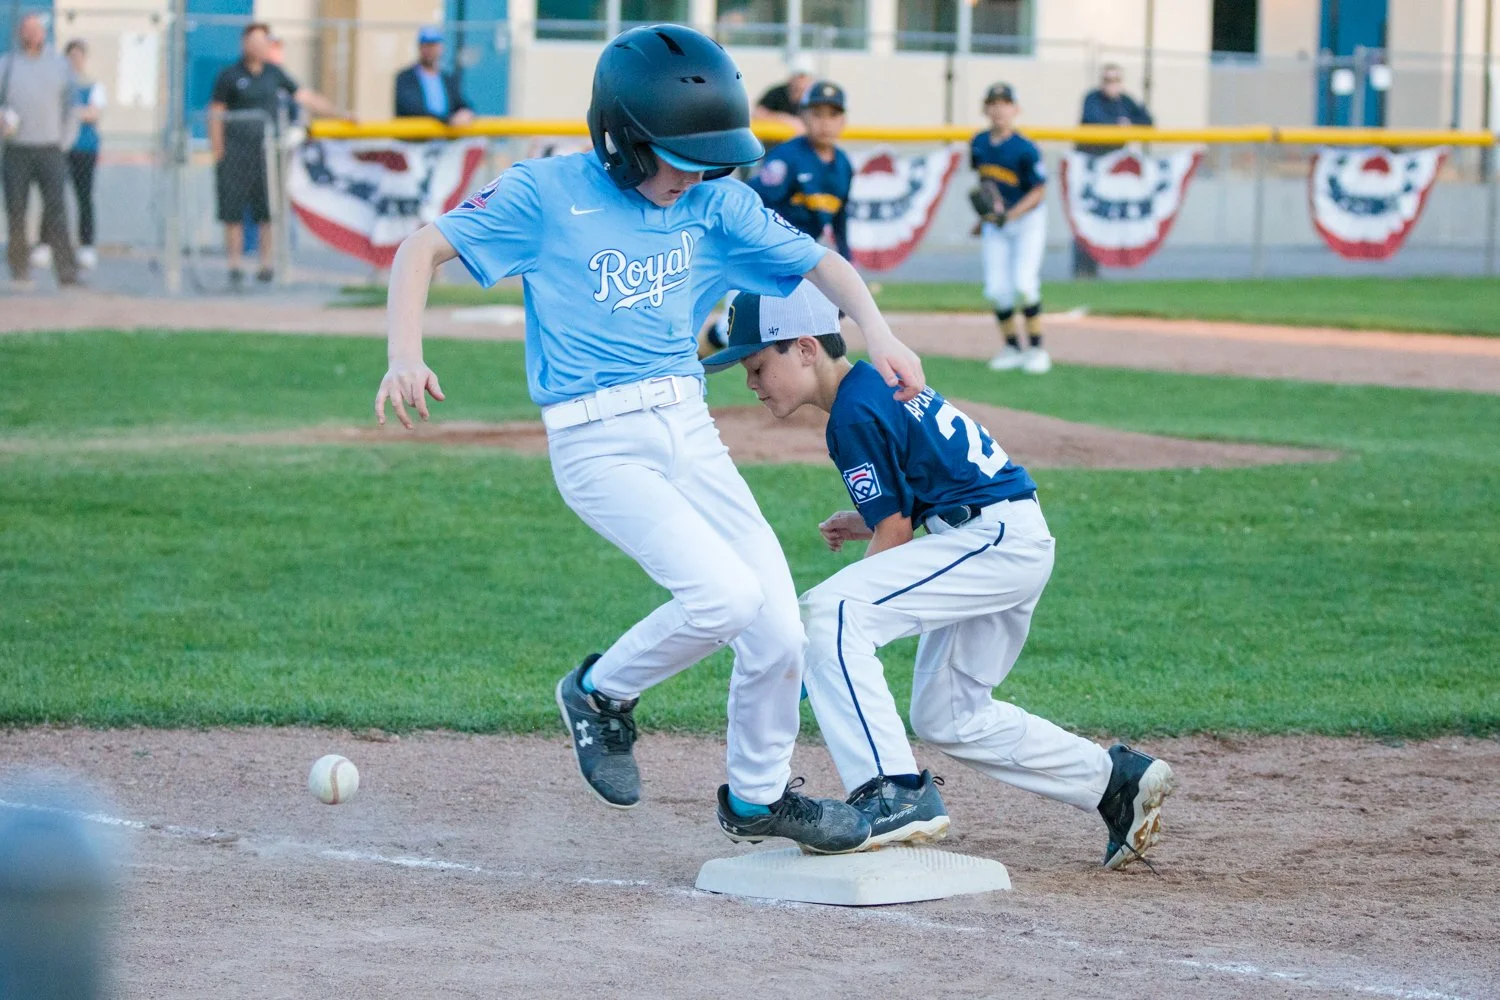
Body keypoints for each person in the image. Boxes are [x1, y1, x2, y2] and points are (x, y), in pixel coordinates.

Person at [373, 25, 926, 854]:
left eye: (706, 158)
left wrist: (878, 332)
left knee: (779, 630)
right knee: (726, 600)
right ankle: (598, 692)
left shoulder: (714, 200)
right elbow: (422, 249)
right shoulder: (546, 194)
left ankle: (757, 798)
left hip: (686, 428)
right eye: (674, 156)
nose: (692, 175)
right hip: (597, 443)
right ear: (623, 140)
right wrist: (405, 355)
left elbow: (825, 266)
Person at [702, 283, 1176, 868]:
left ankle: (893, 792)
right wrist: (865, 522)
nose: (750, 382)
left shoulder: (851, 412)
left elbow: (896, 535)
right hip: (998, 534)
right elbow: (911, 499)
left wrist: (827, 644)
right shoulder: (870, 388)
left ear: (804, 348)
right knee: (948, 715)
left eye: (756, 365)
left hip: (992, 542)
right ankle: (1113, 782)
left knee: (831, 613)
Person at [208, 22, 339, 290]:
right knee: (233, 213)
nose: (257, 47)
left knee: (266, 210)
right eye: (253, 42)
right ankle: (234, 266)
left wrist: (340, 113)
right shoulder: (230, 75)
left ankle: (265, 264)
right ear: (245, 44)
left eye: (262, 42)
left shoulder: (274, 73)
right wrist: (218, 150)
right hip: (235, 154)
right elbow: (216, 112)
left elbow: (304, 96)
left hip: (266, 155)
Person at [970, 83, 1049, 375]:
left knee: (1024, 284)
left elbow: (1039, 191)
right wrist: (984, 218)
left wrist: (1012, 214)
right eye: (993, 103)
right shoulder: (978, 143)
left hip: (1028, 222)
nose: (999, 109)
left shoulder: (1025, 148)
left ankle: (1038, 349)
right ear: (985, 108)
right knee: (997, 289)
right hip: (996, 224)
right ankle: (1013, 347)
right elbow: (986, 184)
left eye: (1005, 103)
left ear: (1016, 109)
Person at [1, 14, 80, 289]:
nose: (31, 35)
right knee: (16, 210)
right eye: (26, 30)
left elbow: (72, 107)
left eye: (35, 30)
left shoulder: (59, 66)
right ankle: (20, 270)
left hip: (50, 149)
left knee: (57, 211)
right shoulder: (7, 65)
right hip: (17, 150)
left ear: (43, 33)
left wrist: (64, 141)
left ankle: (67, 273)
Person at [1074, 64, 1153, 277]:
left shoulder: (1125, 101)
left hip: (1112, 169)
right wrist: (1118, 125)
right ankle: (1082, 270)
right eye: (1108, 80)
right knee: (1085, 216)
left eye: (1116, 80)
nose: (1112, 85)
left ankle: (1097, 268)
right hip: (1090, 167)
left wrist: (1130, 123)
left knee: (1104, 217)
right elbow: (1094, 119)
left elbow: (1148, 121)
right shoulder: (1092, 98)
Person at [62, 40, 105, 270]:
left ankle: (86, 246)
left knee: (84, 197)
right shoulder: (61, 84)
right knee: (55, 198)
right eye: (71, 56)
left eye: (78, 56)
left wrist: (73, 112)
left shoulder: (92, 85)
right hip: (62, 148)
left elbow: (93, 113)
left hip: (85, 149)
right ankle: (48, 243)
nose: (74, 61)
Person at [393, 26, 475, 126]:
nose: (430, 50)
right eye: (426, 45)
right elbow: (414, 109)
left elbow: (460, 103)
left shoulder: (447, 78)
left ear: (441, 48)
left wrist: (466, 112)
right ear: (420, 47)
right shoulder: (405, 78)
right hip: (416, 139)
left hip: (446, 138)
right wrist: (448, 120)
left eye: (433, 45)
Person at [752, 52, 815, 135]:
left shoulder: (815, 97)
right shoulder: (777, 94)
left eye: (804, 77)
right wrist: (786, 119)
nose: (800, 82)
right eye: (798, 76)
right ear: (791, 77)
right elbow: (758, 113)